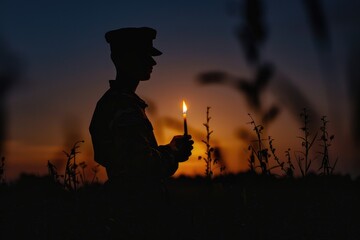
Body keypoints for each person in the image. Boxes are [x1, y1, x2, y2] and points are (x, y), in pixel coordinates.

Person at [89, 27, 194, 239]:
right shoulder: (122, 106)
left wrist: (168, 150)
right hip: (135, 217)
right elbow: (139, 165)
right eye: (145, 56)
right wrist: (172, 154)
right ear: (126, 59)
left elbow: (130, 156)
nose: (153, 63)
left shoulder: (121, 103)